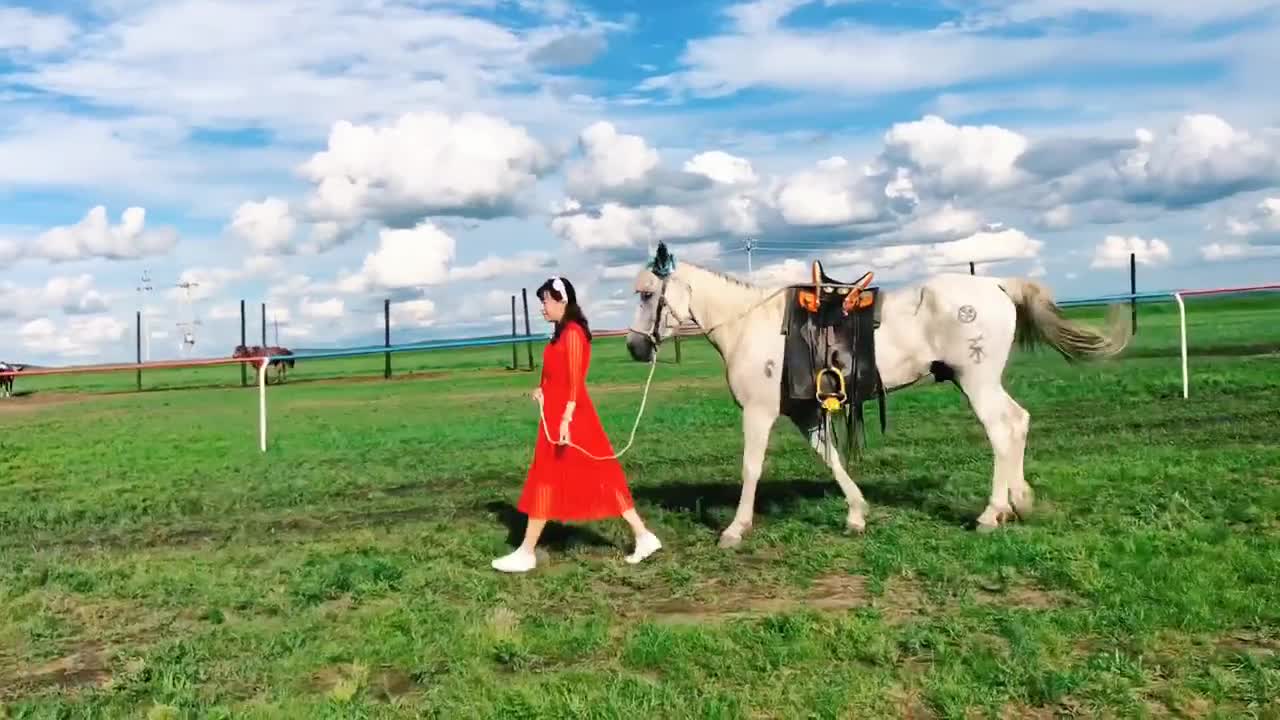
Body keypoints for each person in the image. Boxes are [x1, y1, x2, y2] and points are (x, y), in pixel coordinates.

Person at [491, 276, 662, 573]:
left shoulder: (572, 333)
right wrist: (542, 388)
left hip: (571, 418)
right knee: (563, 477)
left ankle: (527, 551)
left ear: (562, 301)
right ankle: (642, 536)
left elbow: (574, 380)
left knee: (572, 476)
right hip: (558, 415)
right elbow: (556, 374)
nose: (542, 307)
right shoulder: (559, 333)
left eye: (546, 301)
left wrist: (568, 419)